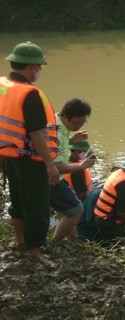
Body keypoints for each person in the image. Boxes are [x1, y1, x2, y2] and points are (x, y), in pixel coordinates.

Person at [0, 42, 59, 256]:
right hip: (30, 161)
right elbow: (36, 134)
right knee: (36, 206)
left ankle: (20, 242)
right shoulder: (29, 94)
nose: (39, 71)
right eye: (39, 67)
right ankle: (34, 251)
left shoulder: (2, 85)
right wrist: (50, 165)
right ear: (32, 67)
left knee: (17, 200)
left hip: (8, 157)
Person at [50, 98, 95, 242]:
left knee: (67, 209)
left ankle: (72, 239)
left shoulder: (60, 125)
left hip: (56, 177)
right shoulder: (55, 132)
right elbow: (56, 167)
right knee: (76, 209)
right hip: (51, 179)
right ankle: (55, 243)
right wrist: (82, 165)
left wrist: (71, 140)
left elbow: (58, 150)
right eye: (76, 123)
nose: (79, 126)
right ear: (65, 117)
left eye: (82, 123)